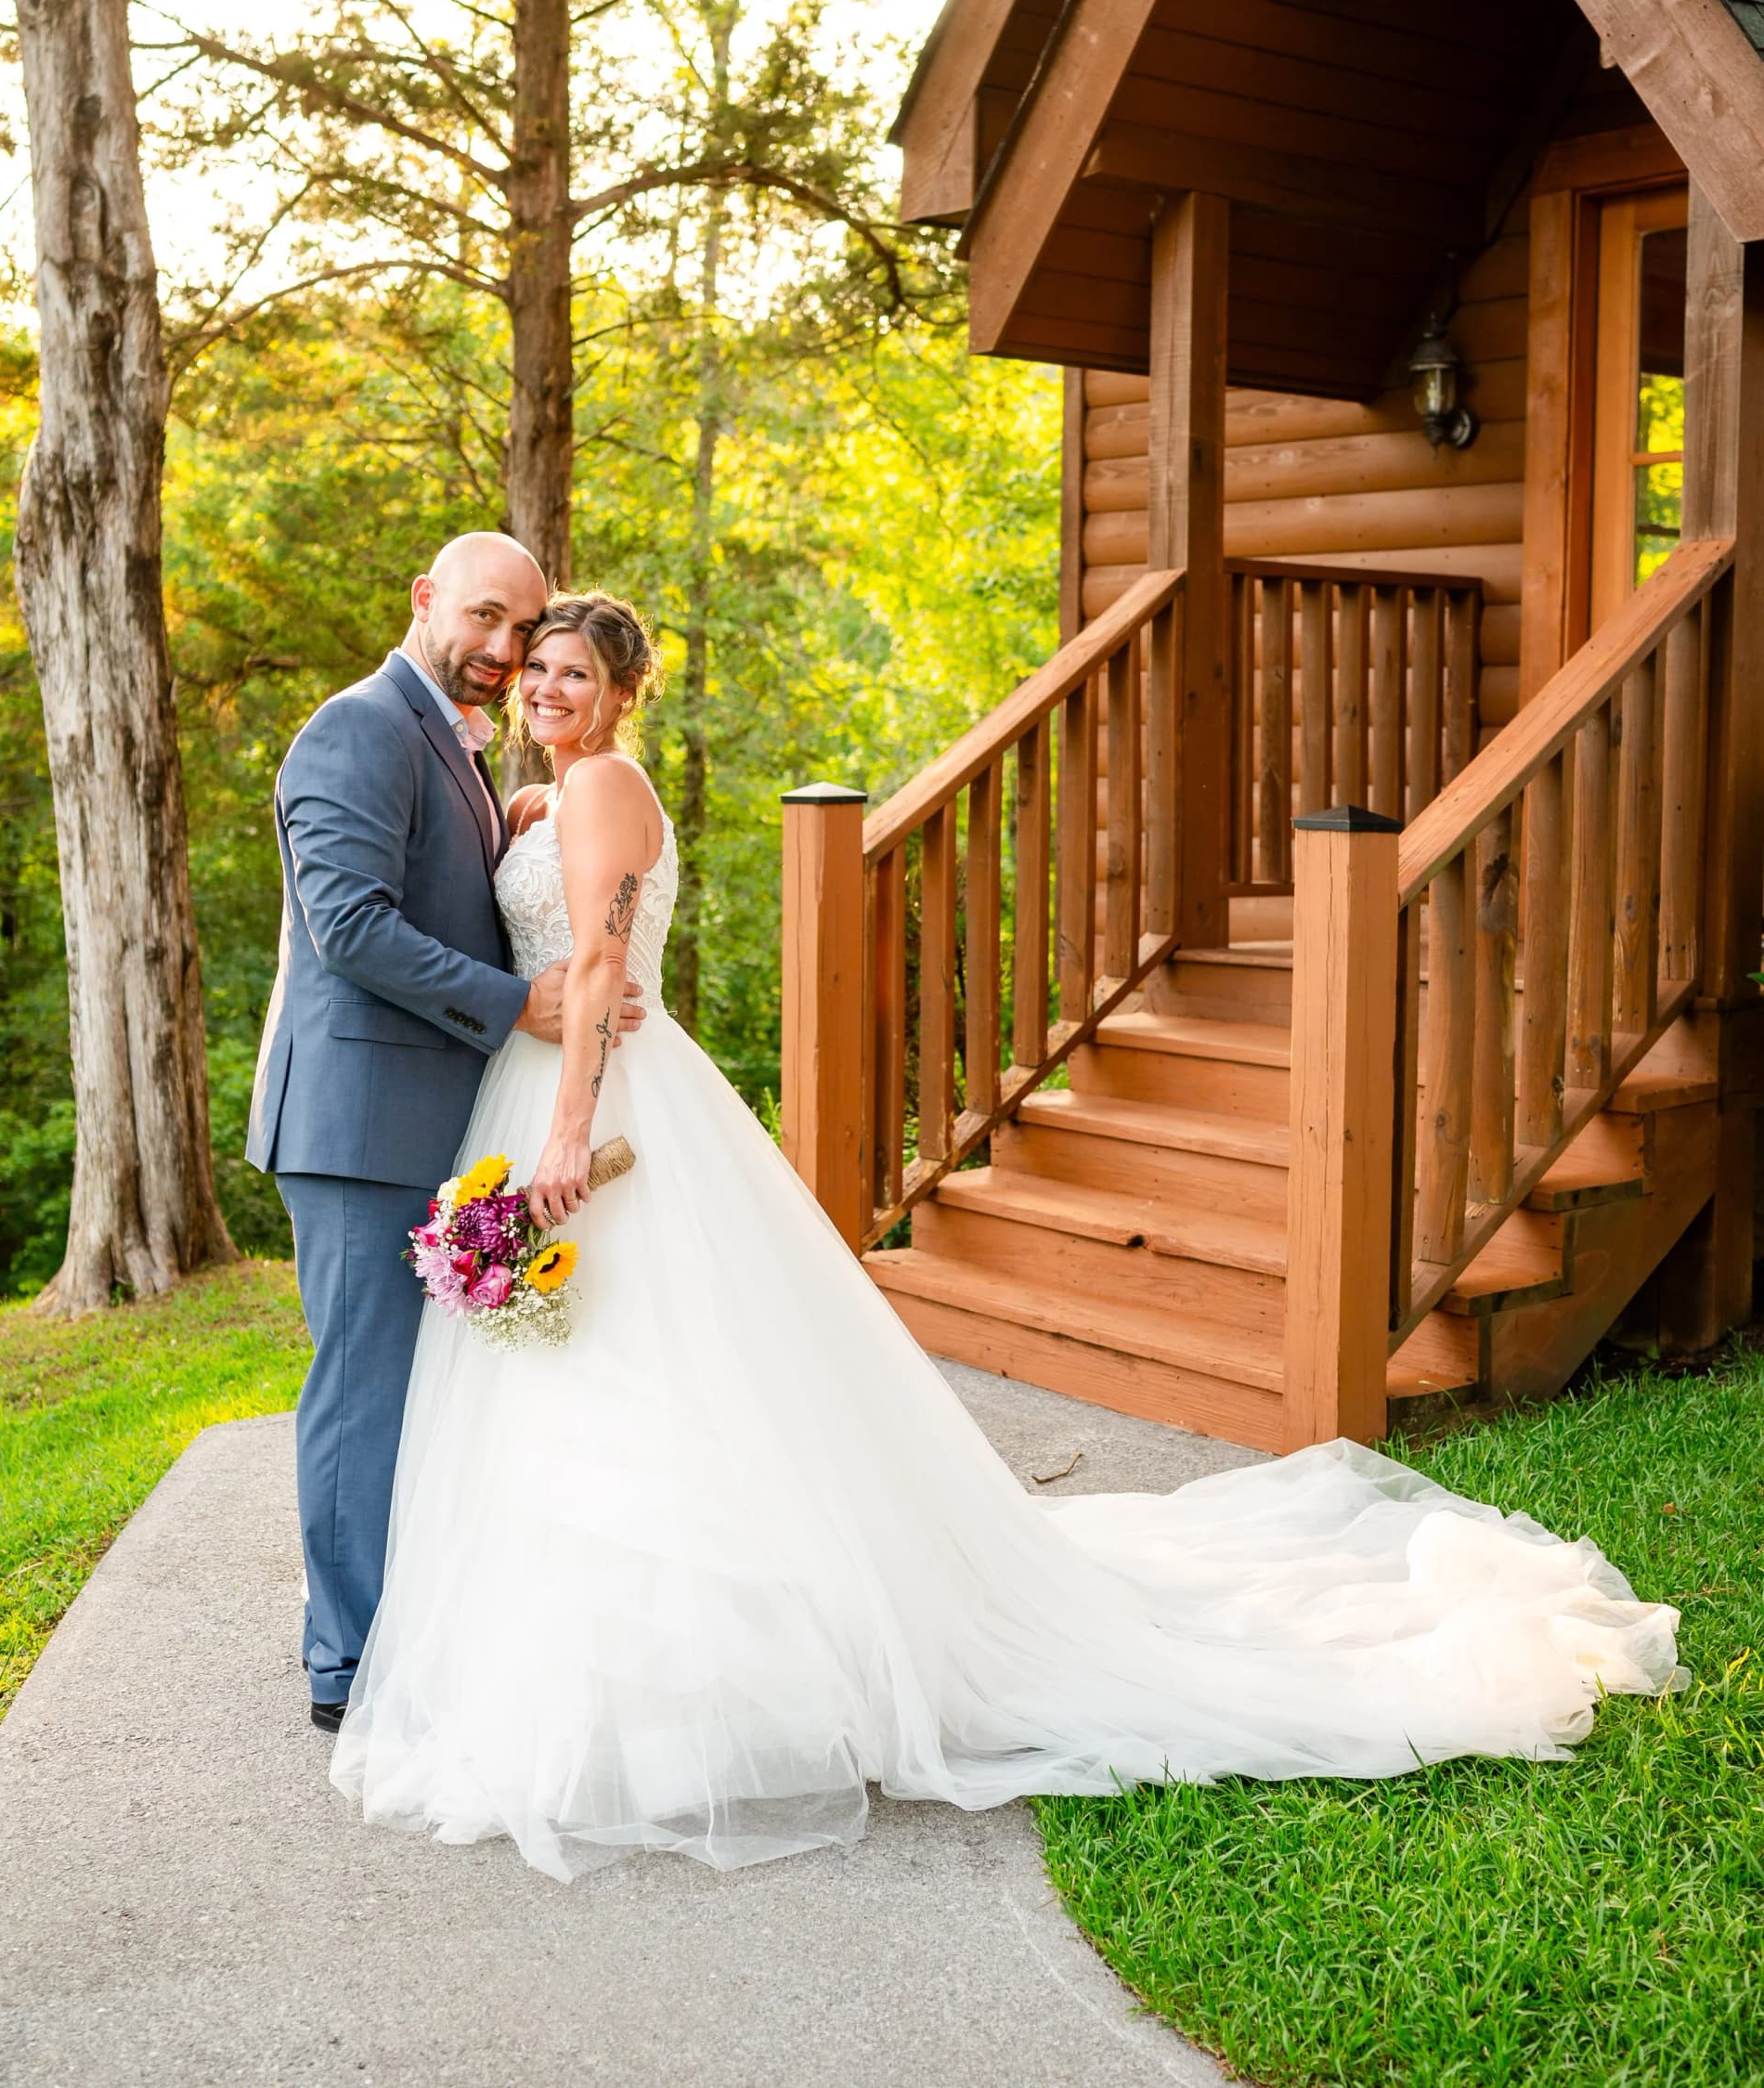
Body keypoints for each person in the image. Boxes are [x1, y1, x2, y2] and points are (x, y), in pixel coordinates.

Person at [332, 589, 1683, 1882]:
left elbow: (605, 966)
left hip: (598, 1100)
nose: (551, 686)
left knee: (639, 1375)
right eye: (543, 666)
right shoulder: (551, 793)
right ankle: (585, 1673)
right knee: (585, 1386)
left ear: (621, 695)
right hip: (539, 1090)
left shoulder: (606, 785)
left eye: (579, 671)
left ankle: (688, 1694)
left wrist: (567, 1134)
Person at [247, 534, 645, 1731]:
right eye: (484, 618)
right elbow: (351, 925)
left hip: (436, 1118)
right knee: (364, 1392)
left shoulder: (464, 754)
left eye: (522, 632)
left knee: (427, 1395)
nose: (503, 651)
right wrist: (520, 1002)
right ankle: (346, 1667)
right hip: (358, 1125)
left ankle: (404, 1635)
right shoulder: (360, 727)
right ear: (425, 601)